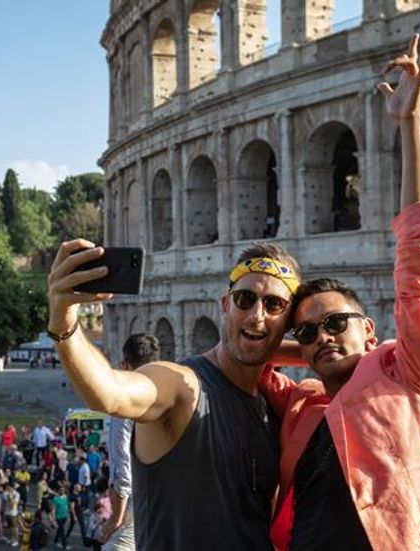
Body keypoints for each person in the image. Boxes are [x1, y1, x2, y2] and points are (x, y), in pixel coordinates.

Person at [255, 34, 420, 550]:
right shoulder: (300, 405)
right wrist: (307, 353)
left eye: (335, 323)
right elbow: (251, 354)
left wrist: (409, 123)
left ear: (369, 329)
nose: (322, 337)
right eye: (308, 331)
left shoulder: (412, 375)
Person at [49, 187, 300, 546]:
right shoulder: (181, 384)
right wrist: (64, 324)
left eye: (274, 305)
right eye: (246, 300)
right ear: (225, 306)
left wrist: (311, 351)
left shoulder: (273, 405)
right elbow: (108, 391)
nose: (257, 315)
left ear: (288, 321)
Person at [101, 334, 160, 551]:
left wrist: (115, 518)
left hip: (138, 503)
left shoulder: (125, 403)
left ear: (126, 364)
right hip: (172, 500)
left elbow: (122, 466)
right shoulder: (171, 395)